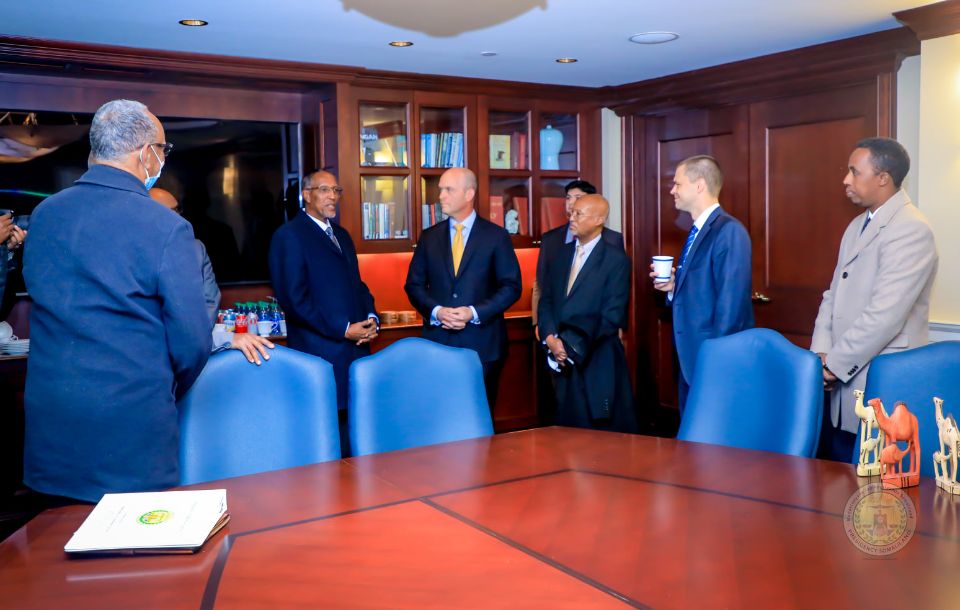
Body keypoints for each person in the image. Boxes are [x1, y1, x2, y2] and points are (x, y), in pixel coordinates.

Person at [22, 99, 213, 503]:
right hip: (130, 423)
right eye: (163, 149)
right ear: (146, 153)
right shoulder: (166, 227)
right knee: (137, 538)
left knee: (57, 536)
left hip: (51, 418)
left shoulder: (44, 215)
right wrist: (157, 387)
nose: (163, 159)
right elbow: (192, 342)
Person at [811, 137, 938, 461]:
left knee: (873, 481)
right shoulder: (857, 225)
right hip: (842, 374)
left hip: (880, 379)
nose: (846, 179)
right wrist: (820, 354)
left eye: (855, 172)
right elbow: (833, 294)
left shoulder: (911, 229)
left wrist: (833, 365)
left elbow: (885, 316)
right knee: (837, 474)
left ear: (883, 178)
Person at [268, 169, 378, 427]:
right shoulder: (289, 236)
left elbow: (358, 285)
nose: (333, 196)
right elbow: (294, 300)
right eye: (325, 190)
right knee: (326, 431)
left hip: (356, 353)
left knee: (359, 429)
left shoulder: (342, 235)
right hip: (320, 355)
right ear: (307, 195)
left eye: (336, 190)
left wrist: (372, 318)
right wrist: (343, 329)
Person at [405, 167, 521, 409]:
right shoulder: (429, 237)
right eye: (441, 190)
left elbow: (511, 286)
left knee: (479, 415)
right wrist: (437, 311)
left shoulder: (496, 236)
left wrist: (473, 312)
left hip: (483, 346)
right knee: (439, 416)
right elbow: (414, 285)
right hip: (437, 344)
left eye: (449, 190)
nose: (441, 196)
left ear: (469, 194)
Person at [651, 155, 753, 415]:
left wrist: (715, 360)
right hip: (691, 357)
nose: (672, 190)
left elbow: (731, 304)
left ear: (699, 185)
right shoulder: (698, 230)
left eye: (678, 184)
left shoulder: (729, 230)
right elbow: (704, 288)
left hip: (713, 360)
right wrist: (674, 288)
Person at [538, 194, 636, 432]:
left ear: (598, 219)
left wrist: (569, 346)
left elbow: (612, 315)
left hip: (596, 357)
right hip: (560, 359)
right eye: (571, 212)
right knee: (565, 430)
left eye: (578, 214)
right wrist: (550, 337)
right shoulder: (561, 255)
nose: (571, 218)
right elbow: (547, 300)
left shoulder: (615, 260)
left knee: (599, 433)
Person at [532, 180, 622, 326]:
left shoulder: (613, 240)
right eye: (568, 198)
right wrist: (540, 324)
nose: (571, 203)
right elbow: (541, 283)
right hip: (554, 324)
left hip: (594, 328)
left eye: (578, 197)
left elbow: (615, 293)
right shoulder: (550, 239)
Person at [150, 187, 220, 326]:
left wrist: (195, 335)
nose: (178, 218)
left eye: (177, 210)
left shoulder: (196, 249)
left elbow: (210, 300)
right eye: (170, 212)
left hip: (194, 334)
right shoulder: (134, 250)